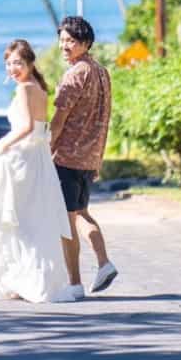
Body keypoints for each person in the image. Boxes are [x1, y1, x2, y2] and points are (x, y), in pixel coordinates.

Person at [0, 39, 75, 303]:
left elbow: (28, 126)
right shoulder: (39, 88)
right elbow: (42, 127)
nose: (12, 68)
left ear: (30, 63)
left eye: (18, 62)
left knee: (19, 220)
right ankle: (28, 278)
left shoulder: (24, 90)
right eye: (8, 63)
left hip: (24, 160)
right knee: (33, 219)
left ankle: (26, 279)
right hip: (37, 158)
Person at [50, 16, 117, 301]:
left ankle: (75, 284)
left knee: (66, 222)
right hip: (89, 158)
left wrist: (45, 149)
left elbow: (59, 118)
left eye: (71, 41)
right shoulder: (102, 72)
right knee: (81, 214)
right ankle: (104, 264)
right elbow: (105, 117)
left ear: (85, 43)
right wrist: (98, 158)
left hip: (67, 157)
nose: (65, 45)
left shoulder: (76, 73)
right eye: (62, 40)